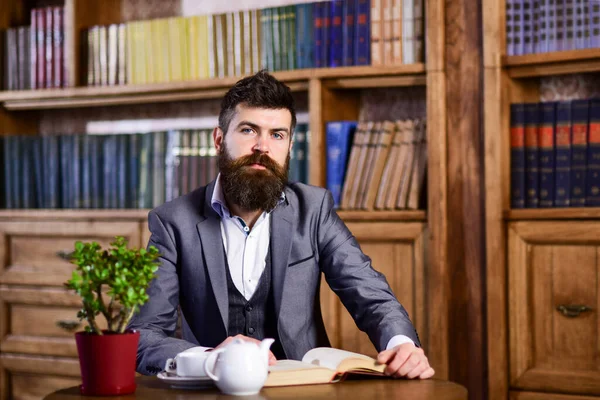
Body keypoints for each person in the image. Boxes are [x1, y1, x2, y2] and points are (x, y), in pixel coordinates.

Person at [128, 70, 434, 380]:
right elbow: (144, 335)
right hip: (214, 391)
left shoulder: (314, 210)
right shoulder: (173, 222)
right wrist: (208, 359)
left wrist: (402, 344)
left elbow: (371, 295)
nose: (263, 146)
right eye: (249, 130)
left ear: (288, 146)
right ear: (219, 139)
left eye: (277, 134)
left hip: (305, 391)